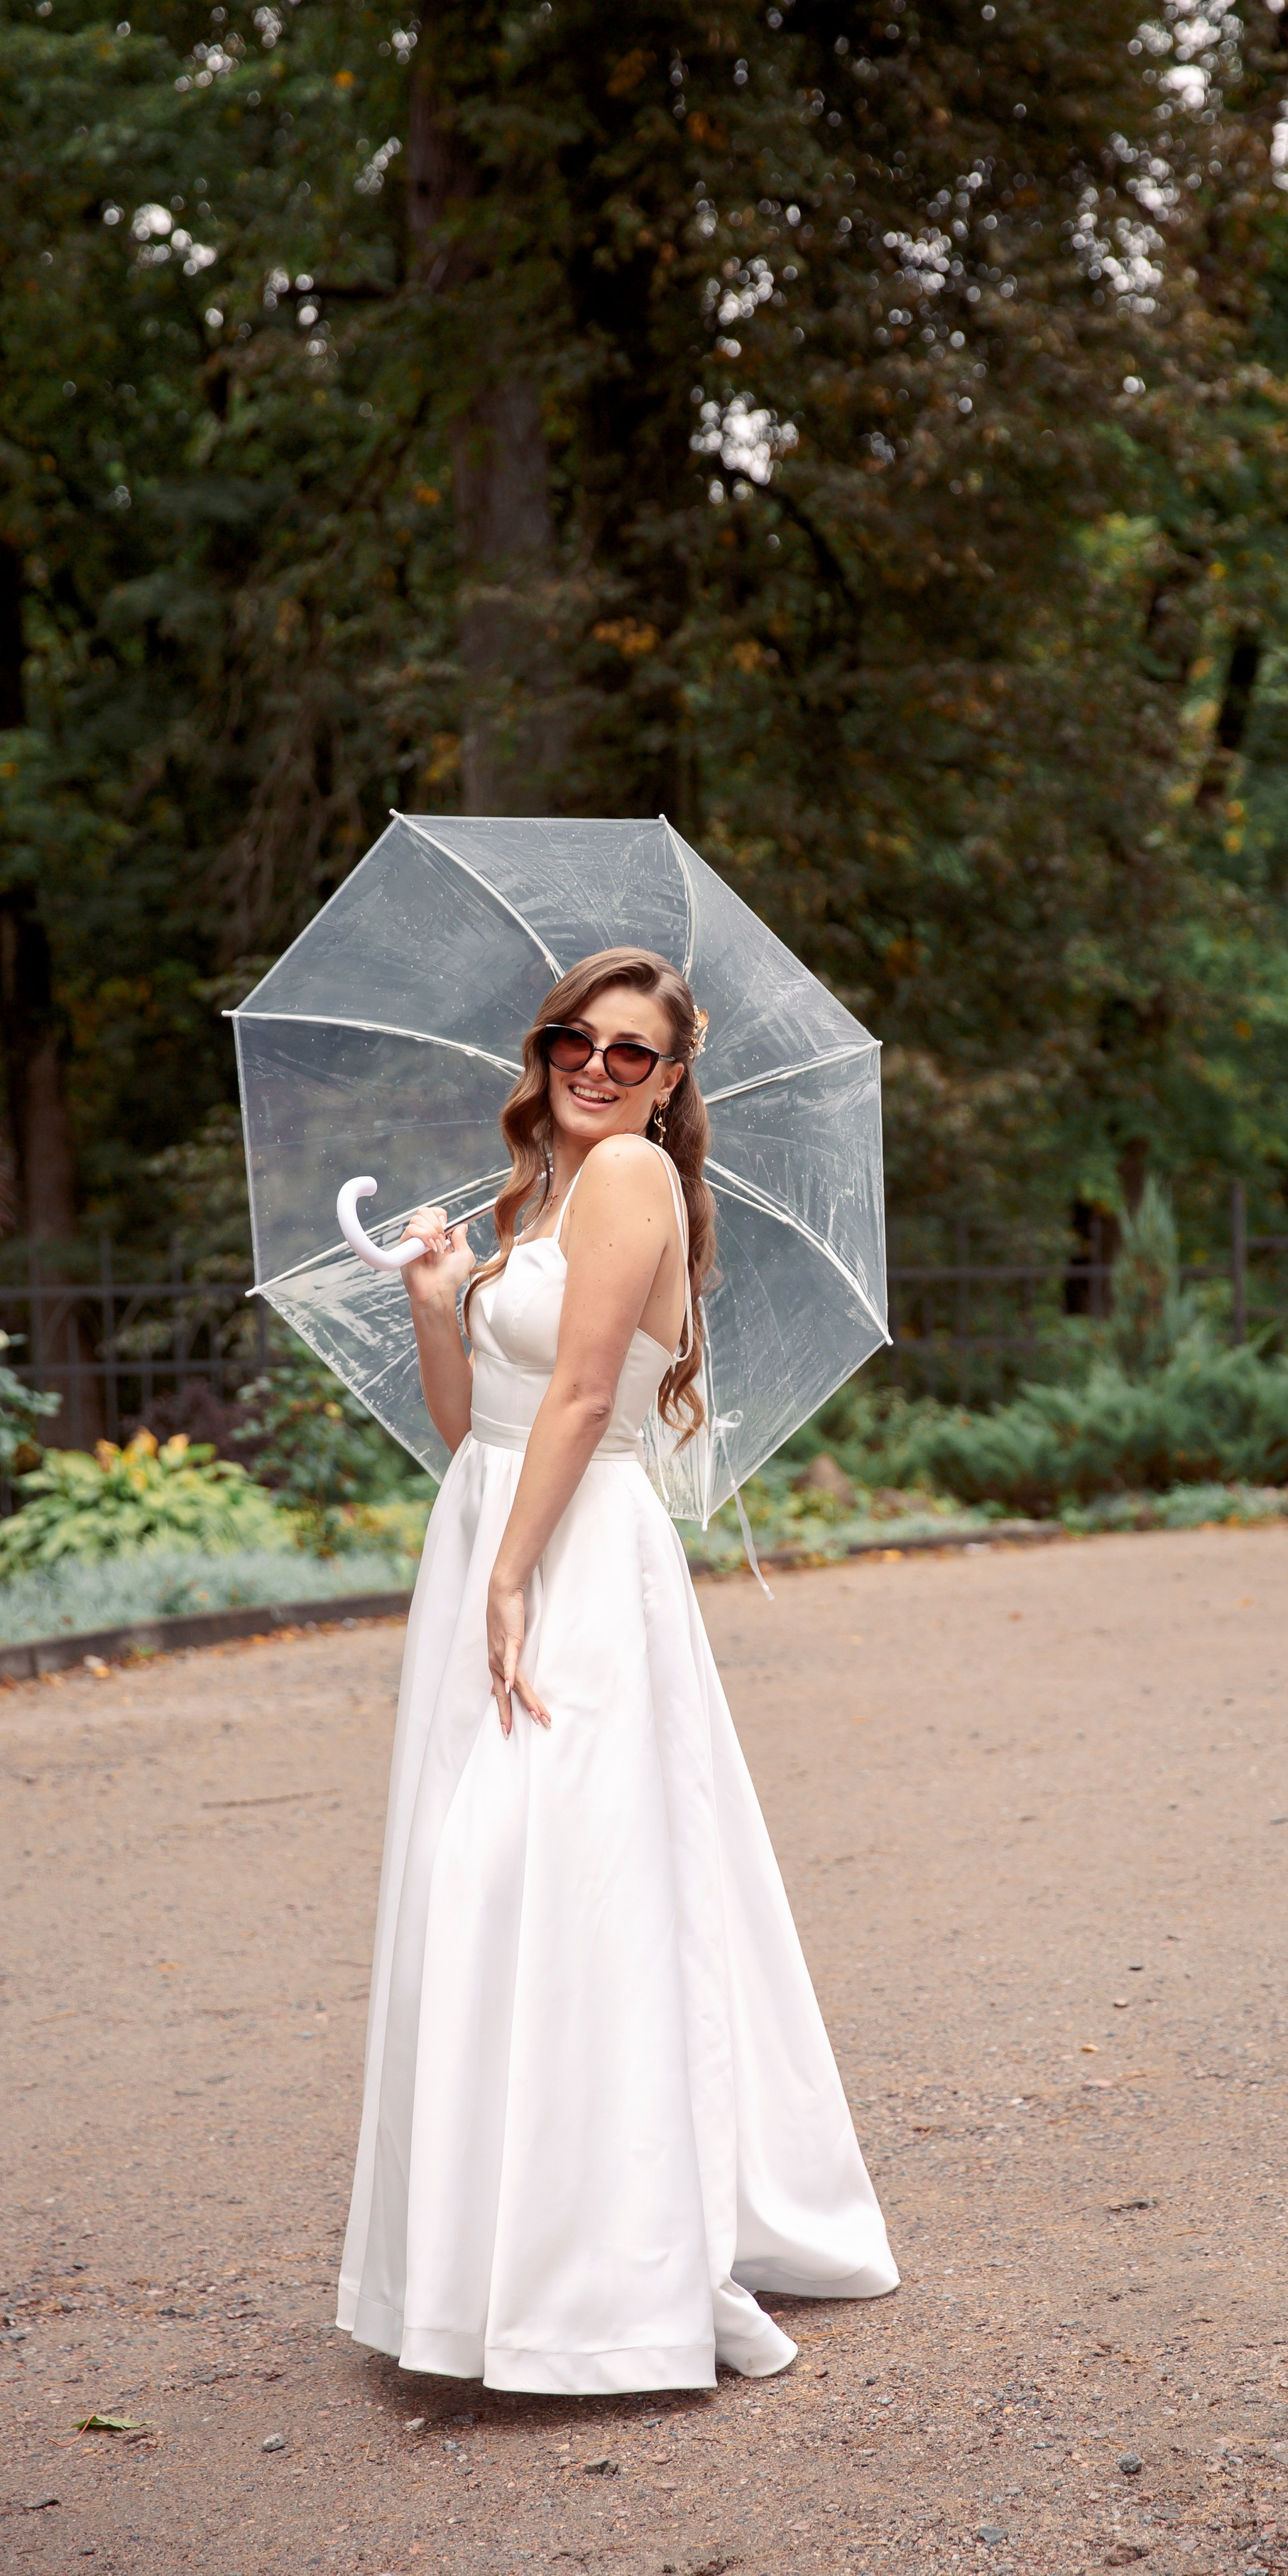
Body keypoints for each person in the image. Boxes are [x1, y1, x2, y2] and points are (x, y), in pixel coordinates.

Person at [335, 944, 897, 2393]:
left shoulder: (635, 1177)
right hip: (497, 1524)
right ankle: (486, 2268)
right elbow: (478, 1424)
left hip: (573, 1557)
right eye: (572, 1040)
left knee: (556, 1877)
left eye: (629, 1051)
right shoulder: (534, 1197)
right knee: (489, 1882)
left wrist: (513, 1577)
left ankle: (604, 2274)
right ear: (542, 1051)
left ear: (670, 1077)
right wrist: (435, 1300)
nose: (595, 1066)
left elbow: (587, 1399)